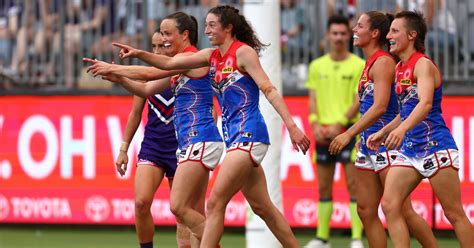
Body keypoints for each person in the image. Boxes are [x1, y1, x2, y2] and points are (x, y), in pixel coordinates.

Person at [112, 5, 310, 247]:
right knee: (262, 207)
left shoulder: (243, 53)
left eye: (212, 25)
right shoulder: (211, 57)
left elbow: (268, 89)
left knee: (213, 202)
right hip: (233, 139)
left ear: (228, 28)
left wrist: (291, 126)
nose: (206, 30)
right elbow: (165, 66)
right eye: (205, 25)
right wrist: (134, 56)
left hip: (249, 135)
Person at [86, 12, 224, 248]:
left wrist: (117, 66)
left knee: (184, 209)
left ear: (185, 34)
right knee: (174, 207)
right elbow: (147, 88)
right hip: (186, 144)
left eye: (167, 35)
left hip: (198, 140)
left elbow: (149, 73)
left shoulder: (189, 59)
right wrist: (118, 76)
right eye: (159, 37)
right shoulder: (178, 65)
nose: (163, 40)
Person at [329, 11, 438, 248]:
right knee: (366, 210)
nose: (354, 30)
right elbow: (368, 105)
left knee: (401, 210)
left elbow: (379, 107)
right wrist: (361, 135)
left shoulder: (384, 62)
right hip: (370, 143)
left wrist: (349, 133)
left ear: (374, 33)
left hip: (387, 145)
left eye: (359, 26)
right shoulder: (370, 62)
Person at [368, 10, 474, 247]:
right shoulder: (399, 68)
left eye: (395, 31)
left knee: (453, 212)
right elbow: (405, 112)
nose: (389, 36)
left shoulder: (423, 64)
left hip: (436, 145)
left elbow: (425, 104)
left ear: (412, 35)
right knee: (390, 205)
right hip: (410, 149)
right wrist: (384, 131)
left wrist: (401, 130)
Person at [303, 15, 364, 248]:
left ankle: (356, 238)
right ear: (328, 36)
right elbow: (313, 99)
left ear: (349, 36)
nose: (338, 37)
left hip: (348, 130)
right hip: (324, 132)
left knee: (354, 185)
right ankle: (322, 238)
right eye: (335, 33)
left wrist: (341, 123)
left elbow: (360, 100)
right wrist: (315, 124)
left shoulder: (358, 65)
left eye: (342, 33)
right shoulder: (316, 65)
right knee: (323, 187)